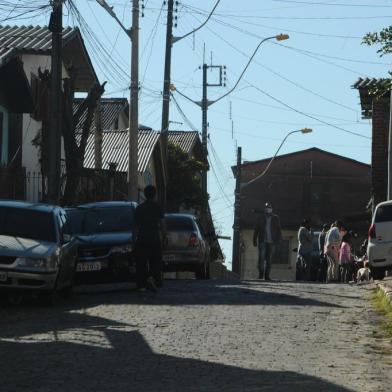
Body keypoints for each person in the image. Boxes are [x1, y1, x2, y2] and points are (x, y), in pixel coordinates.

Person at [134, 185, 165, 292]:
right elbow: (162, 223)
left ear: (145, 194)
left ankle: (142, 285)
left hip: (142, 238)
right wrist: (164, 236)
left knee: (141, 262)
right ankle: (153, 278)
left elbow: (135, 227)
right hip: (154, 238)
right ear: (154, 194)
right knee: (155, 261)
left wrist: (133, 240)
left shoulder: (139, 208)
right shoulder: (157, 207)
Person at [253, 202, 282, 281]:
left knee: (269, 259)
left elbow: (279, 230)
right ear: (264, 209)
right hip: (262, 241)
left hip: (271, 242)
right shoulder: (260, 218)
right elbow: (256, 229)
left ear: (271, 209)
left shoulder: (276, 218)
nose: (267, 209)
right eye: (266, 207)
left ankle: (267, 276)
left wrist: (279, 240)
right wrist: (254, 239)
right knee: (261, 258)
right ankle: (261, 274)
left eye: (269, 207)